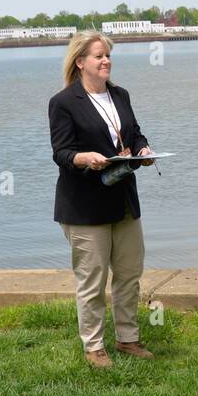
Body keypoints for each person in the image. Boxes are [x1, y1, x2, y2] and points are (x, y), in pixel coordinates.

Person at [48, 31, 154, 368]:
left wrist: (143, 149)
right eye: (98, 56)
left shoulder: (120, 94)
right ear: (81, 62)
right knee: (92, 280)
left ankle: (128, 339)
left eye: (108, 55)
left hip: (123, 200)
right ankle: (93, 346)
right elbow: (62, 153)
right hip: (84, 205)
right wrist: (86, 158)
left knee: (128, 274)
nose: (106, 60)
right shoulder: (63, 102)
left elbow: (134, 133)